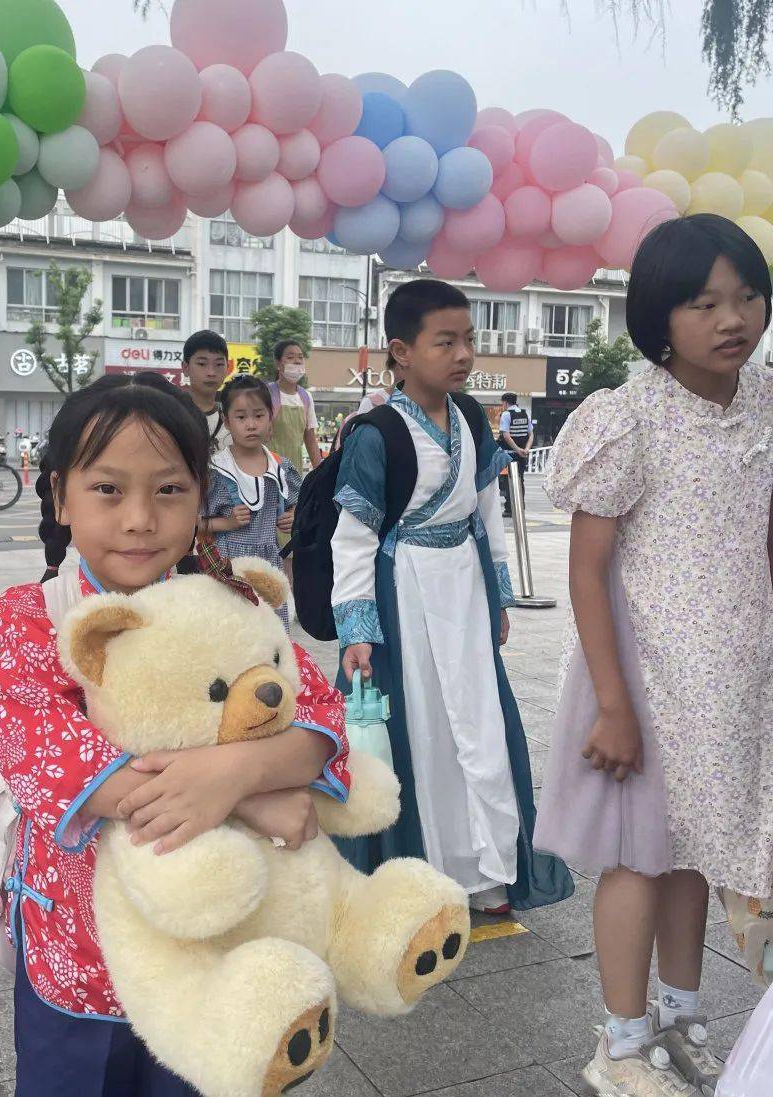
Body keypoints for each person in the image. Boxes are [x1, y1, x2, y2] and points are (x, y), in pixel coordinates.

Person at [0, 373, 351, 1097]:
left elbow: (320, 715)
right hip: (80, 949)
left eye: (170, 490)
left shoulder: (233, 605)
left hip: (211, 944)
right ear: (61, 495)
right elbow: (43, 748)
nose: (141, 519)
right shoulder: (31, 618)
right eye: (109, 489)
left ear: (200, 498)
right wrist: (251, 796)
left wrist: (237, 777)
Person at [534, 214, 773, 1097]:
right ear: (657, 316)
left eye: (747, 294)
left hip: (741, 676)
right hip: (648, 674)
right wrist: (614, 702)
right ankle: (621, 1042)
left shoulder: (767, 400)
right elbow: (587, 569)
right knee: (638, 855)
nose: (732, 316)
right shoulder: (629, 417)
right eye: (703, 301)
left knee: (700, 851)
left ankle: (679, 1018)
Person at [331, 278, 573, 917]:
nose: (463, 354)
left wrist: (498, 597)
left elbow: (487, 514)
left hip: (463, 589)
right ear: (401, 351)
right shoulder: (374, 432)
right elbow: (353, 537)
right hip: (403, 594)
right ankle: (421, 879)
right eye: (446, 341)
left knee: (480, 721)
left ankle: (487, 868)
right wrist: (357, 627)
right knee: (421, 731)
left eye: (468, 340)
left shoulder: (471, 418)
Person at [202, 375, 301, 628]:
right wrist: (227, 523)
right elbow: (191, 522)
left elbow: (303, 506)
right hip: (227, 569)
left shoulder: (281, 467)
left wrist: (294, 516)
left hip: (269, 568)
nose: (251, 425)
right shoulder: (216, 470)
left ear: (271, 417)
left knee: (271, 636)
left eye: (258, 415)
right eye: (241, 417)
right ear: (227, 421)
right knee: (231, 637)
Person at [267, 340, 323, 472]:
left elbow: (310, 439)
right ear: (278, 363)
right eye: (290, 357)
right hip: (268, 468)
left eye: (300, 357)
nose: (297, 361)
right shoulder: (266, 393)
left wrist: (320, 473)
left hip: (294, 471)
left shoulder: (305, 397)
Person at [183, 329, 231, 453]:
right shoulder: (169, 413)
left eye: (219, 364)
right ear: (185, 368)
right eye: (202, 364)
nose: (211, 373)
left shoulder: (234, 417)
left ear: (228, 368)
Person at [498, 393, 532, 517]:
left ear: (505, 402)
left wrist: (517, 449)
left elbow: (506, 435)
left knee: (508, 480)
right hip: (522, 454)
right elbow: (531, 434)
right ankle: (520, 506)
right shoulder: (524, 413)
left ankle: (510, 509)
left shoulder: (506, 415)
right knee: (520, 479)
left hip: (510, 454)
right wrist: (525, 449)